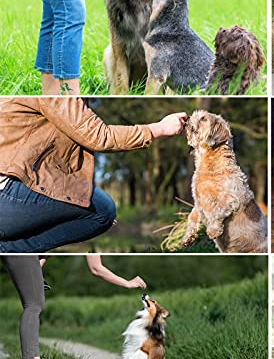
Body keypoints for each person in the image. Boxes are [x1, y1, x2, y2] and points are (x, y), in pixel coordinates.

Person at [0, 97, 187, 253]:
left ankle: (18, 253)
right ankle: (12, 251)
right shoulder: (57, 89)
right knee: (101, 210)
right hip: (8, 191)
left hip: (9, 189)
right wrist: (158, 129)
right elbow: (99, 136)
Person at [0, 254, 147, 359]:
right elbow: (96, 268)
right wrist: (127, 283)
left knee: (35, 305)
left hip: (22, 254)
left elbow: (47, 248)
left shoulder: (71, 224)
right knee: (33, 306)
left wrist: (36, 271)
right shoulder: (86, 230)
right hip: (20, 252)